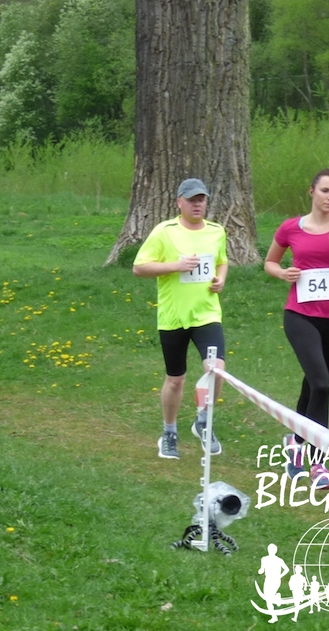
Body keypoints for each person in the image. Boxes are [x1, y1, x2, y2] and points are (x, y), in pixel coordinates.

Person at [264, 168, 329, 490]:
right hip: (300, 316)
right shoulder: (290, 227)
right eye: (325, 191)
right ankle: (318, 464)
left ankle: (295, 442)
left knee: (312, 386)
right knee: (321, 384)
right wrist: (283, 274)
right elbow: (270, 263)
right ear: (311, 192)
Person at [133, 178, 228, 460]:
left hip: (206, 313)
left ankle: (203, 421)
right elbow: (139, 267)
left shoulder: (216, 231)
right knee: (176, 380)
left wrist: (220, 279)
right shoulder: (165, 232)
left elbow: (222, 261)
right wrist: (176, 266)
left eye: (202, 200)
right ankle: (169, 432)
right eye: (191, 200)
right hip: (173, 317)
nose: (197, 205)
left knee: (216, 370)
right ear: (179, 202)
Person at [257, 543, 289, 624]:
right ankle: (276, 597)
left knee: (268, 599)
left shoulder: (273, 560)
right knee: (268, 598)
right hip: (271, 579)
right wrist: (280, 576)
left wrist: (280, 576)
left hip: (273, 580)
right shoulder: (267, 559)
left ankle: (274, 616)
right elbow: (262, 570)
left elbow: (286, 569)